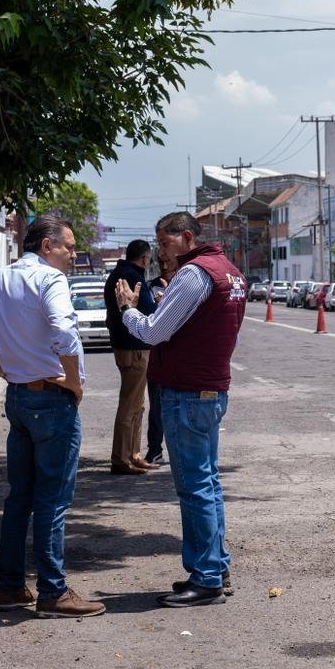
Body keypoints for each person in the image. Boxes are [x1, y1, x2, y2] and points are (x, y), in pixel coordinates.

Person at [0, 216, 105, 618]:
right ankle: (53, 592)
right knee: (52, 498)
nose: (74, 254)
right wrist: (73, 383)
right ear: (46, 246)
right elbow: (65, 331)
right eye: (69, 246)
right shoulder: (50, 278)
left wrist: (9, 373)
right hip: (52, 398)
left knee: (19, 496)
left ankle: (10, 587)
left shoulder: (0, 279)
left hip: (20, 396)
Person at [115, 211, 246, 607]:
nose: (161, 252)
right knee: (208, 482)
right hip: (211, 388)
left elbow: (154, 331)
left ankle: (206, 577)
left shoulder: (194, 274)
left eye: (165, 243)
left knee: (194, 487)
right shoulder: (230, 272)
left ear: (187, 236)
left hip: (187, 391)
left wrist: (128, 309)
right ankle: (215, 567)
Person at [104, 240, 160, 475]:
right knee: (130, 404)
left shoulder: (120, 273)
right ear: (145, 259)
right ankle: (121, 458)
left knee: (138, 404)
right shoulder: (132, 276)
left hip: (128, 345)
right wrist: (159, 302)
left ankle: (133, 454)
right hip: (133, 347)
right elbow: (149, 311)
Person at [143, 251, 176, 466]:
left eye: (168, 261)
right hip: (157, 353)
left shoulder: (185, 284)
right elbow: (147, 318)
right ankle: (155, 449)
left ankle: (181, 451)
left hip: (180, 354)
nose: (164, 266)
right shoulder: (150, 286)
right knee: (156, 404)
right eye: (161, 262)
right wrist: (158, 305)